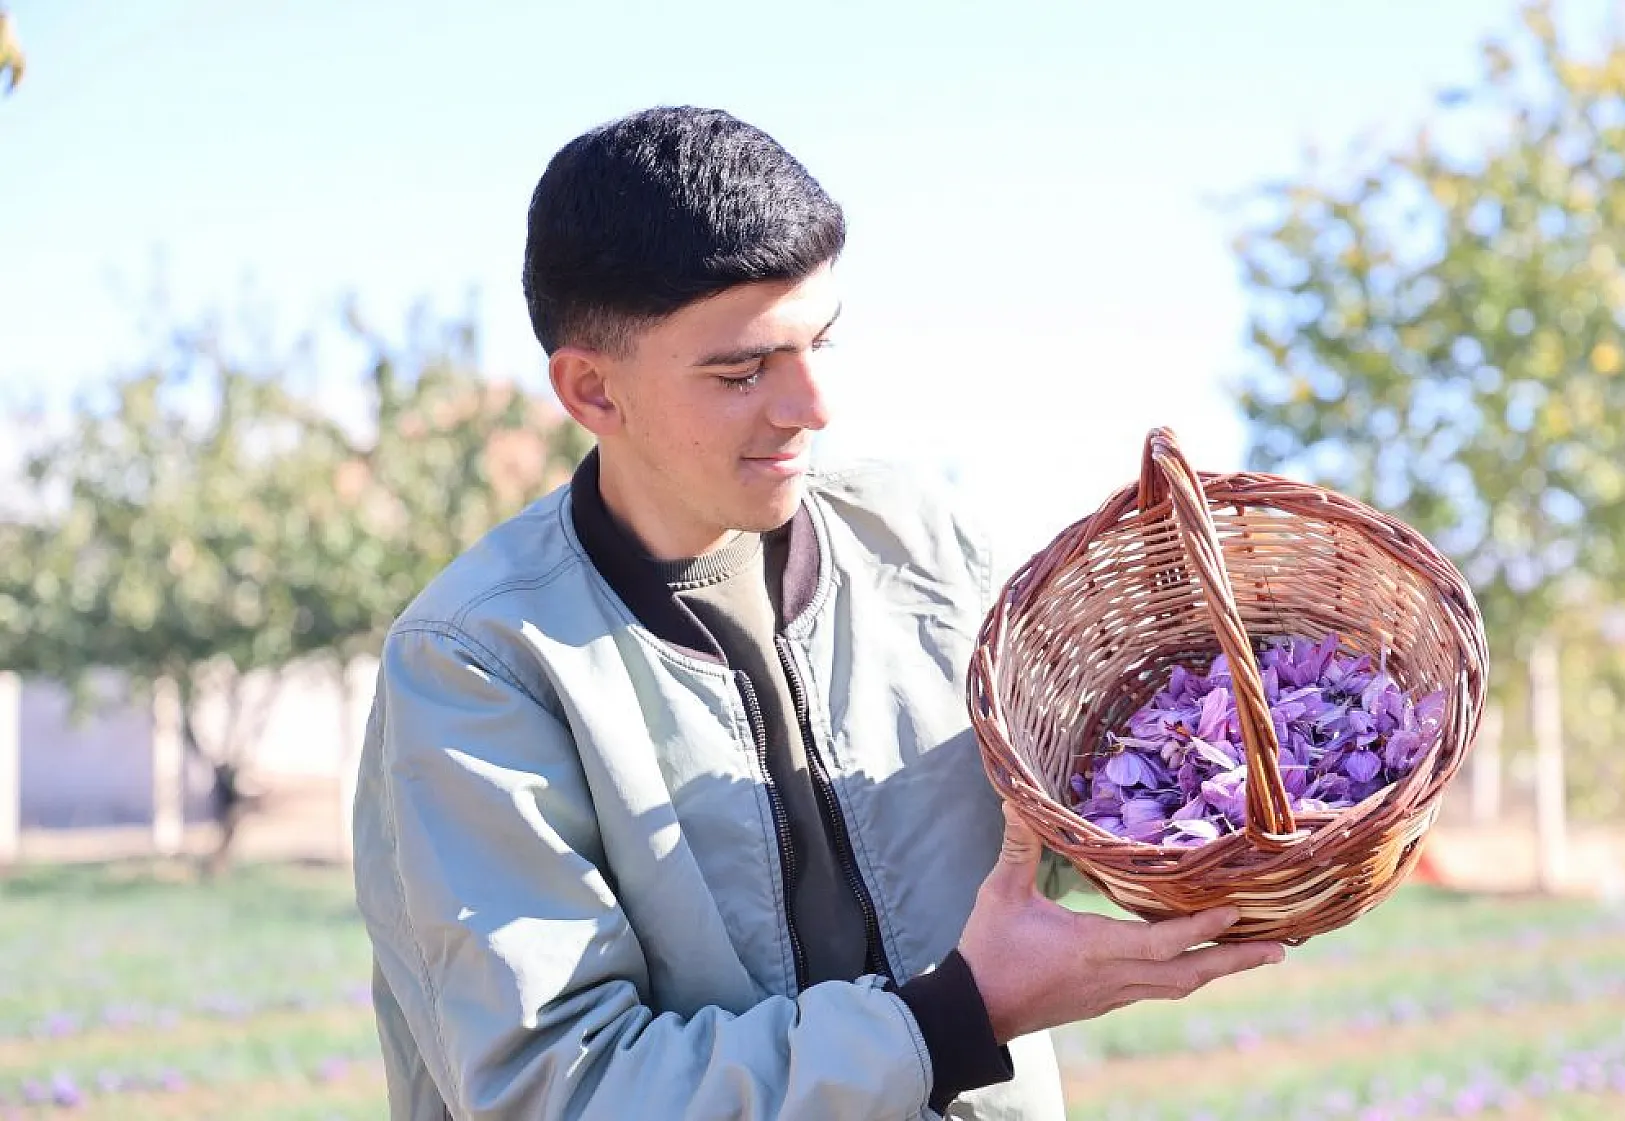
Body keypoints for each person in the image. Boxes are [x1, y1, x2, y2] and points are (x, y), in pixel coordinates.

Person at [351, 105, 1285, 1121]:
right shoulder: (478, 662)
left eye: (820, 341)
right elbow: (559, 1088)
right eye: (742, 370)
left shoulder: (924, 544)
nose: (812, 406)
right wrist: (957, 1017)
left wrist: (1235, 784)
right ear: (592, 391)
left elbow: (1059, 827)